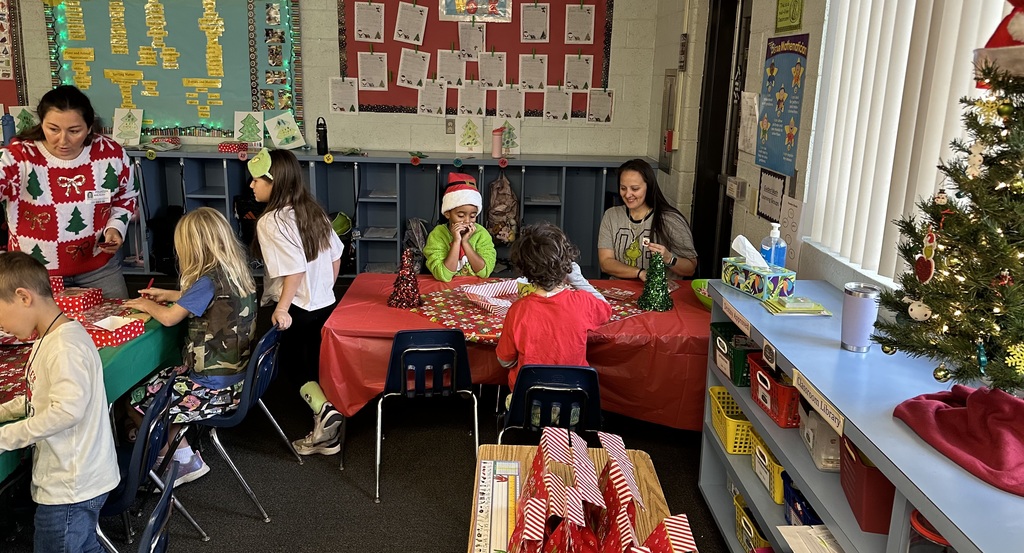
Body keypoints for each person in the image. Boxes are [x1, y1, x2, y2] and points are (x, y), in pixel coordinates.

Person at [124, 207, 258, 486]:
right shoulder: (233, 273)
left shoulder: (206, 280)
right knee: (160, 381)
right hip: (238, 380)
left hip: (211, 385)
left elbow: (171, 318)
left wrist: (146, 304)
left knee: (136, 401)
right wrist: (171, 294)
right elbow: (206, 300)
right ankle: (177, 450)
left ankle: (174, 458)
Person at [0, 251, 119, 552]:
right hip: (74, 480)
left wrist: (6, 436)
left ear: (23, 297)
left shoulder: (65, 347)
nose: (3, 329)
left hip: (71, 487)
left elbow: (67, 411)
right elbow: (37, 395)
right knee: (83, 545)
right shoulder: (49, 337)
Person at [248, 148, 346, 456]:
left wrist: (281, 308)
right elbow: (337, 255)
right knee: (315, 363)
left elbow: (294, 269)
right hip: (324, 304)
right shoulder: (311, 210)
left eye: (256, 180)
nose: (251, 186)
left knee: (292, 364)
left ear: (273, 182)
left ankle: (325, 414)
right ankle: (326, 432)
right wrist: (325, 290)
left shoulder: (271, 221)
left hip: (296, 308)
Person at [0, 85, 137, 298]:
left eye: (74, 131)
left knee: (117, 324)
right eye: (53, 129)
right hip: (34, 275)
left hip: (99, 269)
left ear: (90, 127)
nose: (62, 141)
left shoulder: (110, 154)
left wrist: (116, 228)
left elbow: (126, 196)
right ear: (41, 123)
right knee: (42, 332)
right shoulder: (19, 157)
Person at [496, 222, 612, 396]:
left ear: (525, 270)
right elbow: (605, 309)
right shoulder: (582, 302)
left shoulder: (517, 310)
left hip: (529, 403)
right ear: (567, 265)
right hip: (574, 403)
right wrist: (577, 279)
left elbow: (504, 361)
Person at [597, 159, 697, 281]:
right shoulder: (611, 215)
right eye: (623, 188)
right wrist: (639, 273)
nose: (628, 195)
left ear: (648, 187)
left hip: (661, 294)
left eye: (635, 189)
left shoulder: (671, 220)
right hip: (621, 289)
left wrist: (669, 258)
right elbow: (605, 263)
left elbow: (690, 268)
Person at [423, 172, 497, 281]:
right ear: (447, 213)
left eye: (472, 216)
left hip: (475, 289)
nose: (467, 221)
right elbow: (444, 275)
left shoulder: (481, 233)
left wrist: (465, 243)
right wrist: (457, 241)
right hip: (445, 290)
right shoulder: (437, 234)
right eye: (461, 215)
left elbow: (484, 272)